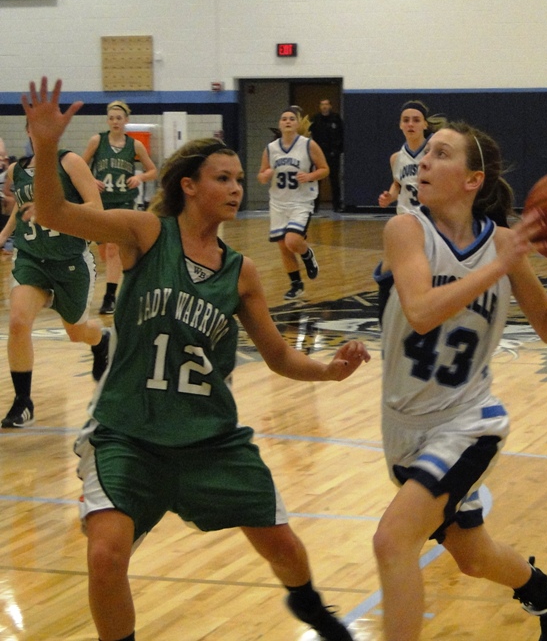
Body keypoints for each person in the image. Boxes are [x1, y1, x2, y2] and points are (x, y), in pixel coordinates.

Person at [22, 77, 370, 641]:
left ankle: (310, 608)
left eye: (238, 180)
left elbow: (279, 356)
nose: (236, 189)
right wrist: (44, 148)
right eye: (223, 179)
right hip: (128, 433)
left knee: (282, 545)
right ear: (189, 186)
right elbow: (55, 212)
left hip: (209, 437)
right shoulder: (144, 233)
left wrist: (329, 370)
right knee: (106, 557)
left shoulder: (242, 272)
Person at [372, 120, 547, 640]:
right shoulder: (406, 230)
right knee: (473, 558)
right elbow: (420, 310)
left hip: (467, 423)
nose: (425, 163)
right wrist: (498, 265)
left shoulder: (502, 244)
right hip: (403, 426)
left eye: (441, 154)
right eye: (425, 154)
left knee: (393, 542)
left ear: (472, 179)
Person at [0, 122, 109, 428]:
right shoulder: (15, 171)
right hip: (31, 259)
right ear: (29, 133)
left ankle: (100, 341)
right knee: (19, 322)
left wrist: (53, 209)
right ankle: (23, 402)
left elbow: (96, 207)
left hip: (70, 261)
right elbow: (19, 209)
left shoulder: (70, 162)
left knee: (76, 332)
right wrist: (4, 233)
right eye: (36, 128)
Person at [82, 100, 157, 315]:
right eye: (111, 118)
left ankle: (110, 297)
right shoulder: (97, 140)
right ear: (108, 120)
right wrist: (90, 180)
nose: (115, 122)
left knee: (114, 249)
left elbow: (153, 171)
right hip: (101, 202)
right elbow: (78, 166)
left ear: (126, 121)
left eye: (119, 118)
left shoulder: (135, 145)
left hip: (124, 202)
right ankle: (129, 280)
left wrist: (140, 176)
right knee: (106, 252)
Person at [258, 106, 328, 301]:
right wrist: (266, 174)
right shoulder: (271, 149)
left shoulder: (308, 145)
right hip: (278, 203)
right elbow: (261, 176)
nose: (287, 121)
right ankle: (296, 285)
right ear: (280, 124)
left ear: (297, 124)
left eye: (291, 118)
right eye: (284, 119)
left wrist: (310, 175)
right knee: (283, 246)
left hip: (301, 201)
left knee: (293, 241)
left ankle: (307, 254)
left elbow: (324, 169)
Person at [378, 100, 444, 215]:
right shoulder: (396, 158)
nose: (410, 124)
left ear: (425, 124)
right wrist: (390, 197)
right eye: (406, 120)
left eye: (416, 120)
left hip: (430, 217)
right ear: (400, 125)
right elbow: (397, 184)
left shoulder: (436, 152)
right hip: (406, 217)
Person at [309, 98, 345, 211]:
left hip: (333, 154)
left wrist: (338, 150)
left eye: (326, 104)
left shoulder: (336, 118)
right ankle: (314, 206)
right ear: (320, 107)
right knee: (317, 180)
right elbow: (309, 136)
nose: (324, 106)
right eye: (322, 104)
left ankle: (337, 205)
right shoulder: (315, 119)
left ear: (330, 106)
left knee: (334, 180)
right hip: (319, 153)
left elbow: (342, 135)